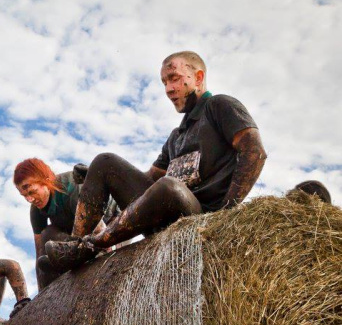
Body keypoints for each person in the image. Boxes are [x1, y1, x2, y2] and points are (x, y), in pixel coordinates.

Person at [46, 51, 267, 271]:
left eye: (175, 79)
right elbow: (147, 181)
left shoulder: (220, 106)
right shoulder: (176, 136)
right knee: (105, 162)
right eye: (164, 82)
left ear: (198, 78)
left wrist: (227, 213)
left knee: (169, 187)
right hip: (164, 215)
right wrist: (95, 175)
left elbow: (254, 151)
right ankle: (75, 248)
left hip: (201, 218)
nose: (169, 89)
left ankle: (92, 245)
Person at [13, 158, 108, 289]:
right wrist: (42, 294)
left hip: (108, 224)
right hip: (75, 237)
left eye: (31, 191)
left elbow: (101, 233)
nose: (29, 199)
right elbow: (39, 253)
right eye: (24, 195)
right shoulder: (36, 209)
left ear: (46, 181)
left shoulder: (72, 187)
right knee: (47, 235)